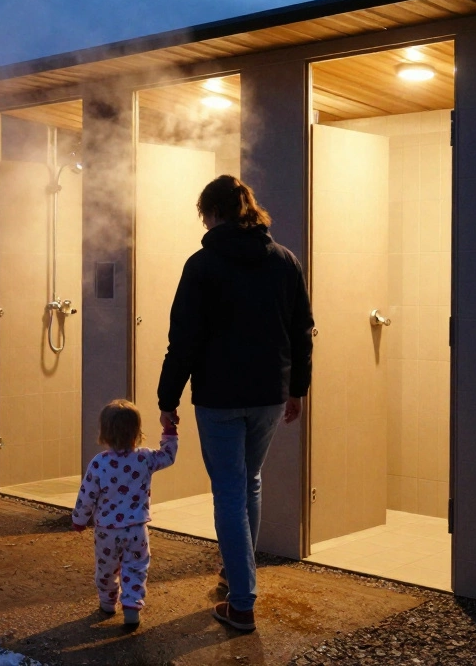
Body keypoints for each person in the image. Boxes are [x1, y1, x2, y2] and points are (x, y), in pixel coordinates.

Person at [156, 174, 314, 632]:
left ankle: (242, 603)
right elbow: (302, 330)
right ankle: (234, 570)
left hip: (220, 397)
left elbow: (182, 339)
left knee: (229, 490)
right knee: (250, 484)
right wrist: (297, 388)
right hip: (268, 394)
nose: (202, 221)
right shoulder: (285, 260)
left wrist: (168, 398)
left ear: (216, 212)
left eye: (204, 213)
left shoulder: (202, 265)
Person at [71, 399, 178, 627]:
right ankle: (131, 605)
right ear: (137, 431)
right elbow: (168, 455)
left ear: (104, 432)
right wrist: (169, 430)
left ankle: (108, 603)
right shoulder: (145, 458)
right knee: (136, 567)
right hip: (137, 529)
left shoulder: (99, 463)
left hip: (107, 531)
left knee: (106, 569)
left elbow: (86, 494)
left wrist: (79, 520)